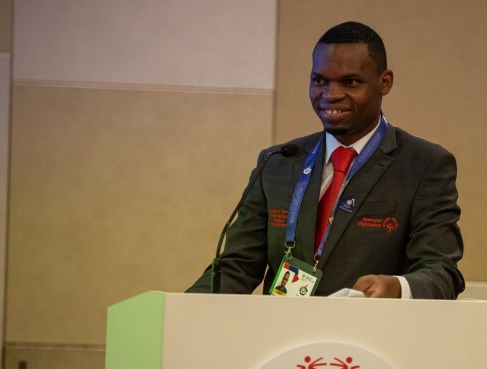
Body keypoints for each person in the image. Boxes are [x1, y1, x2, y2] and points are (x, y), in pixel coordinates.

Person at [187, 21, 463, 299]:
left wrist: (395, 287)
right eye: (319, 80)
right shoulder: (277, 162)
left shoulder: (424, 165)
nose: (330, 95)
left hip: (370, 336)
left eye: (350, 82)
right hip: (282, 337)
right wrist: (180, 311)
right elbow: (236, 267)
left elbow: (442, 273)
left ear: (385, 82)